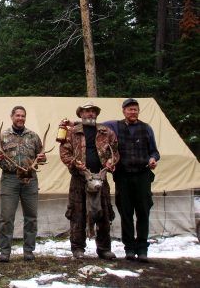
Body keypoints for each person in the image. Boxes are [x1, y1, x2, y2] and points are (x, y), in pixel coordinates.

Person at [59, 102, 118, 260]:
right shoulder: (71, 133)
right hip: (79, 179)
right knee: (77, 214)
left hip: (101, 177)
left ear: (96, 114)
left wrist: (111, 162)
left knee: (104, 214)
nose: (90, 114)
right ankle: (78, 249)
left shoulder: (107, 132)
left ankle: (104, 249)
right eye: (86, 112)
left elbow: (115, 151)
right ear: (80, 114)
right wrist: (74, 163)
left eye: (93, 111)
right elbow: (64, 153)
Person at [104, 98, 160, 263]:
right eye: (129, 109)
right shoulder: (114, 126)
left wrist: (152, 159)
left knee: (143, 212)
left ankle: (142, 249)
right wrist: (75, 122)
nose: (132, 112)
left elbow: (155, 152)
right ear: (123, 111)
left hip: (143, 175)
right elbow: (95, 124)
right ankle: (129, 248)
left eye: (135, 109)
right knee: (126, 213)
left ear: (138, 111)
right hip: (123, 176)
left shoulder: (146, 128)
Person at [0, 106, 46, 262]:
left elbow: (42, 156)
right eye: (18, 115)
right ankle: (5, 252)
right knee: (7, 217)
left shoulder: (33, 136)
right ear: (12, 117)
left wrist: (42, 158)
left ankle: (28, 250)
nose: (20, 118)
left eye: (23, 116)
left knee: (31, 217)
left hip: (30, 179)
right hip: (10, 179)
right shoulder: (3, 136)